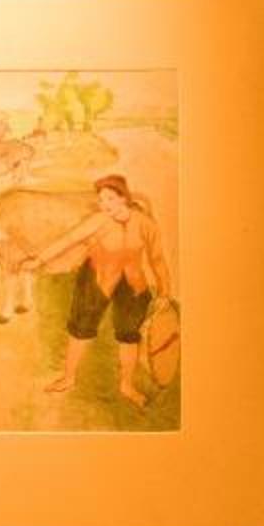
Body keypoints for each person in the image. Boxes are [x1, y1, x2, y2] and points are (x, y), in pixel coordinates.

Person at [40, 173, 172, 404]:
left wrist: (164, 291)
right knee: (81, 328)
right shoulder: (98, 221)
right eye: (101, 200)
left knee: (129, 335)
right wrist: (38, 259)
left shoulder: (145, 224)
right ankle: (68, 378)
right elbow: (67, 240)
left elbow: (158, 260)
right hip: (96, 278)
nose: (104, 204)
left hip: (132, 283)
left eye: (110, 198)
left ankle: (126, 386)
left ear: (124, 198)